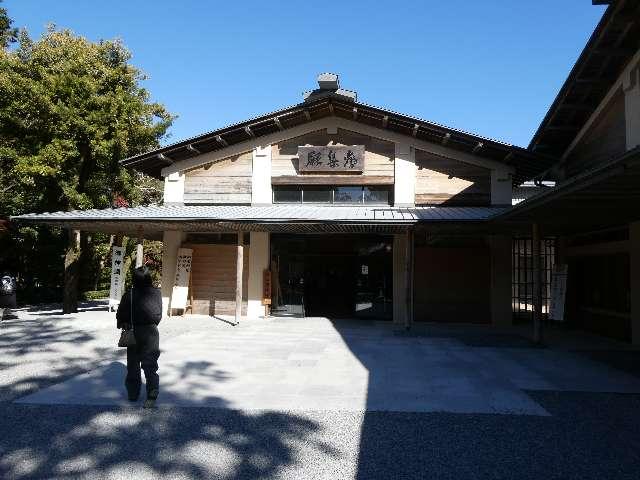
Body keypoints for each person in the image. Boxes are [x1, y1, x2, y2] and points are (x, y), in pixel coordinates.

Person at [116, 266, 162, 408]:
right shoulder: (156, 293)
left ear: (134, 278)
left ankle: (133, 393)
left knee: (133, 364)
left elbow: (121, 314)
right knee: (150, 363)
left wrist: (123, 323)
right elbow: (158, 314)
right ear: (149, 277)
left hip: (133, 330)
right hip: (151, 331)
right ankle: (152, 392)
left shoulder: (129, 294)